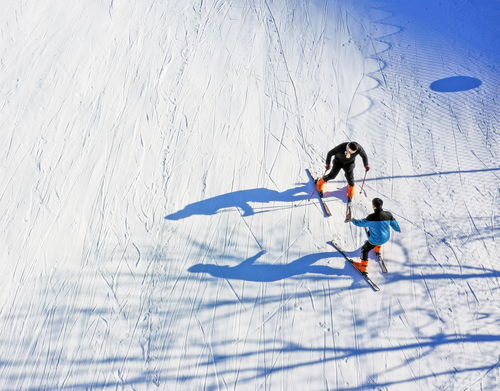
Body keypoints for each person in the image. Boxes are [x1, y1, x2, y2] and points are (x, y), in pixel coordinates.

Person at [348, 197, 401, 274]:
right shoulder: (388, 214)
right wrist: (398, 229)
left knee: (364, 250)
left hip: (376, 239)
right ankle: (377, 248)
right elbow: (395, 225)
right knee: (371, 232)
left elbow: (360, 223)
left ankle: (362, 267)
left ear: (374, 206)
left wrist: (352, 219)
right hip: (386, 237)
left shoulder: (371, 217)